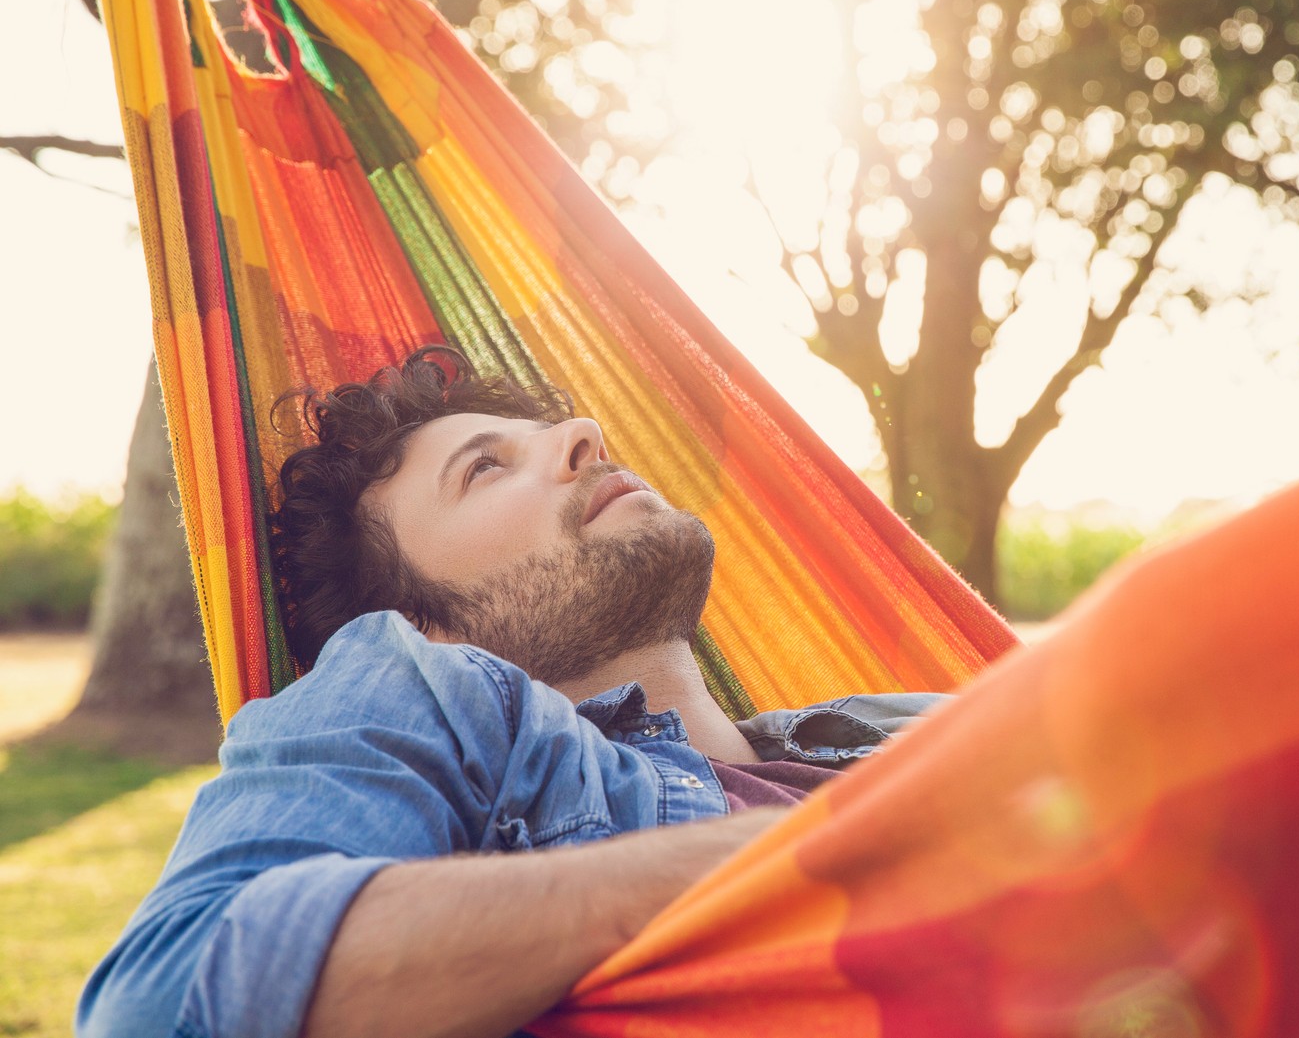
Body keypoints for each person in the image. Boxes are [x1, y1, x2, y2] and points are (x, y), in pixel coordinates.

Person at [77, 347, 945, 1038]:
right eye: (484, 468)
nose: (584, 433)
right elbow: (162, 1002)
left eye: (555, 432)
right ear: (426, 632)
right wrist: (768, 864)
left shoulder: (912, 724)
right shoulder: (422, 686)